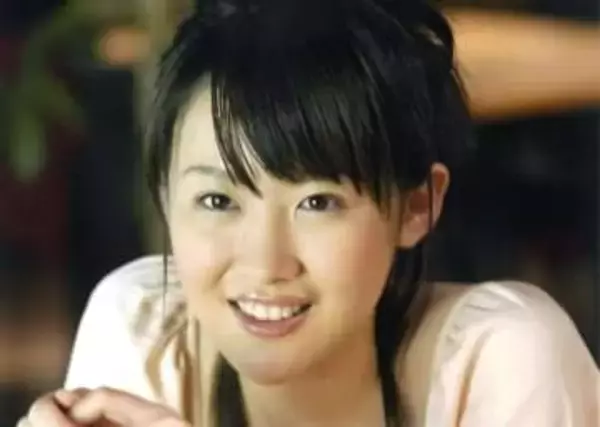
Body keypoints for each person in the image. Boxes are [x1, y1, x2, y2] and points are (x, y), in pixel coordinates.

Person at [18, 0, 599, 426]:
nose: (266, 264)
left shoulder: (502, 362)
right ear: (165, 197)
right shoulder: (143, 333)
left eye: (318, 203)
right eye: (218, 201)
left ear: (417, 204)